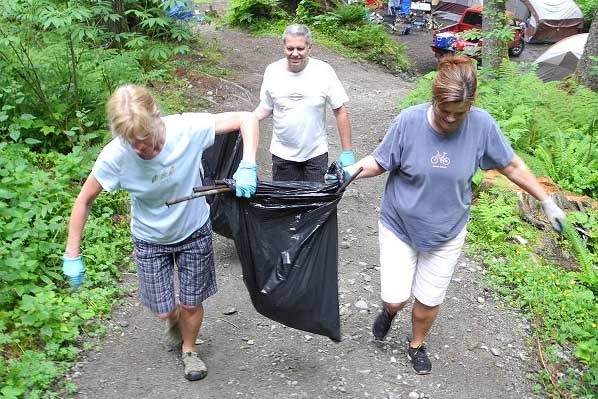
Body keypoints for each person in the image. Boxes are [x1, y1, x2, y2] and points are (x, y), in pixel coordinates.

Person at [338, 55, 566, 375]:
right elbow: (380, 161)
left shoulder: (482, 125)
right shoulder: (408, 121)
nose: (449, 118)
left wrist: (545, 200)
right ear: (433, 98)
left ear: (470, 105)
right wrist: (349, 172)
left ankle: (416, 344)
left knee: (428, 302)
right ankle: (388, 313)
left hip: (447, 231)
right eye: (443, 110)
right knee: (395, 298)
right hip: (399, 226)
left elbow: (511, 165)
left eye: (458, 113)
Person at [62, 84, 259, 381]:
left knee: (191, 302)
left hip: (194, 229)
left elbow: (247, 118)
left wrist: (248, 165)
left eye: (146, 138)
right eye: (132, 142)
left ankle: (190, 350)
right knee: (163, 310)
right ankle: (173, 319)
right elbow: (85, 200)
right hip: (150, 239)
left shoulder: (185, 129)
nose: (142, 148)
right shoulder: (115, 156)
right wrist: (72, 253)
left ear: (157, 116)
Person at [253, 23, 355, 182]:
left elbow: (340, 110)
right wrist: (246, 120)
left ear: (309, 48)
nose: (295, 54)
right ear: (284, 47)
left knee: (315, 204)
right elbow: (266, 107)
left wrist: (347, 151)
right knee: (286, 205)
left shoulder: (323, 71)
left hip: (315, 153)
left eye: (300, 49)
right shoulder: (272, 71)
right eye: (290, 48)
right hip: (282, 154)